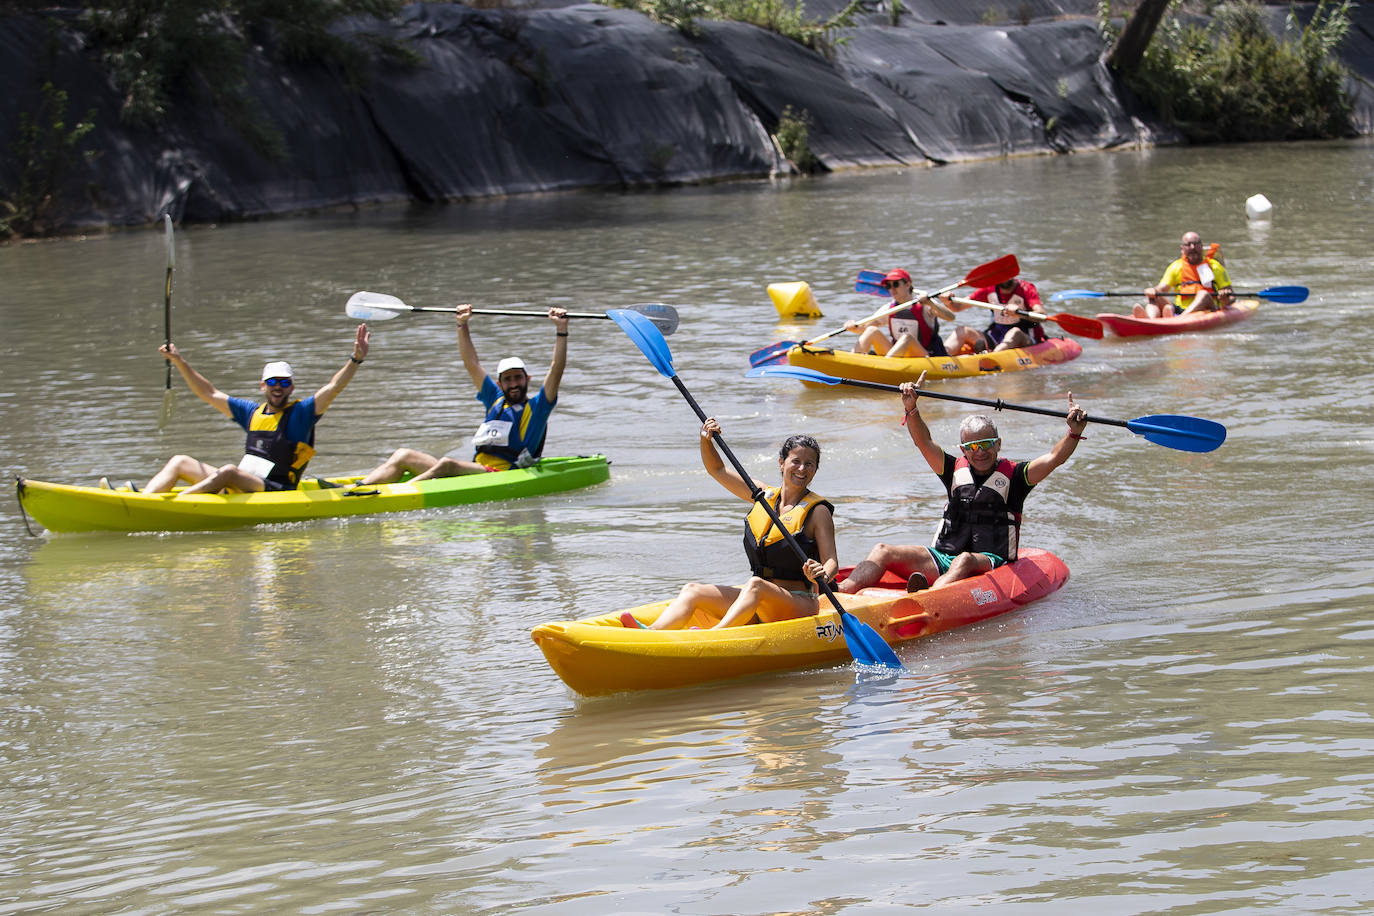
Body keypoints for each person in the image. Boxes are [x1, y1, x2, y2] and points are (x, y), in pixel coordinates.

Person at [836, 370, 1087, 595]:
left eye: (987, 444)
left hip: (988, 560)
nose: (980, 452)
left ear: (998, 444)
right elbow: (923, 442)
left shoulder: (1017, 476)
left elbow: (1054, 458)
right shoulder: (952, 469)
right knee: (882, 550)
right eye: (972, 447)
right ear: (963, 449)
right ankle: (842, 590)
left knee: (964, 559)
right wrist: (911, 408)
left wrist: (1073, 432)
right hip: (943, 556)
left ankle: (928, 597)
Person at [622, 418, 838, 630]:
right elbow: (717, 470)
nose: (802, 469)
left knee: (755, 585)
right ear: (781, 463)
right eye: (796, 461)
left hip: (799, 603)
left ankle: (715, 636)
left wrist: (822, 574)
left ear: (815, 470)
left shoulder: (818, 512)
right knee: (692, 590)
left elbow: (831, 561)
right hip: (760, 598)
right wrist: (706, 439)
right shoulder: (762, 495)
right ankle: (653, 632)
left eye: (809, 464)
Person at [143, 324, 371, 496]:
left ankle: (180, 503)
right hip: (245, 483)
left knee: (229, 471)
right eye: (272, 383)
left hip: (277, 489)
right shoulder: (251, 412)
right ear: (263, 386)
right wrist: (179, 361)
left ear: (291, 387)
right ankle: (145, 500)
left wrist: (355, 359)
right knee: (179, 461)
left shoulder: (302, 413)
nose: (278, 388)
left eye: (283, 383)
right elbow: (209, 393)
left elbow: (333, 388)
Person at [358, 304, 568, 484]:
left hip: (504, 474)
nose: (514, 384)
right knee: (403, 454)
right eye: (508, 379)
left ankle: (396, 493)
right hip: (476, 469)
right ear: (499, 383)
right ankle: (357, 489)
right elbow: (471, 363)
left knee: (447, 464)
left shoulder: (539, 407)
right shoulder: (494, 398)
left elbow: (556, 368)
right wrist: (462, 324)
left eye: (518, 378)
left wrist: (561, 330)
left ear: (527, 379)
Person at [845, 268, 955, 359]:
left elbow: (951, 317)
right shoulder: (889, 308)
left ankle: (886, 367)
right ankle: (851, 361)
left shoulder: (925, 304)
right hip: (898, 356)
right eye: (889, 286)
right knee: (871, 330)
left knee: (907, 337)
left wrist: (931, 303)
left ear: (907, 284)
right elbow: (863, 328)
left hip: (925, 356)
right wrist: (853, 327)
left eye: (896, 284)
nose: (892, 289)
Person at [1139, 231, 1234, 318]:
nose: (1192, 247)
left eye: (1196, 244)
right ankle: (1151, 320)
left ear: (1201, 246)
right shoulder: (1176, 266)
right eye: (1188, 245)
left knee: (1203, 294)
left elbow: (1231, 297)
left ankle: (1179, 319)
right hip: (1181, 309)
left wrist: (1224, 297)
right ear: (1182, 248)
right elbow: (1162, 288)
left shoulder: (1215, 267)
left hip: (1207, 308)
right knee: (1154, 296)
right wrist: (1153, 291)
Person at [942, 275, 1048, 353]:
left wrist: (1019, 314)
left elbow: (1041, 314)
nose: (1005, 278)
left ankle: (992, 357)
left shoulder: (1026, 288)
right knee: (962, 330)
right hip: (996, 335)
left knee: (1015, 332)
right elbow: (957, 307)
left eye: (1007, 274)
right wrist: (947, 301)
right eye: (1002, 275)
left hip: (1025, 336)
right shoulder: (989, 289)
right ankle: (941, 357)